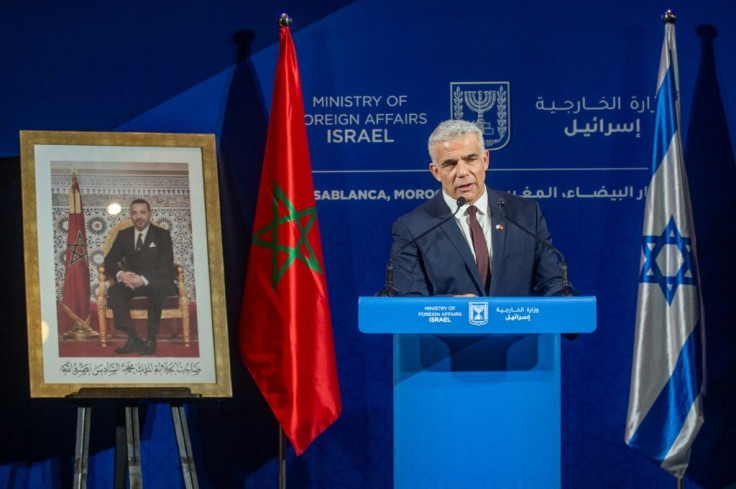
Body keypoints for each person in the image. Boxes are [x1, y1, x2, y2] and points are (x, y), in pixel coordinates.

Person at [388, 119, 563, 297]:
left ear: (485, 160)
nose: (462, 172)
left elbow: (551, 283)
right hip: (451, 325)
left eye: (471, 159)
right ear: (436, 172)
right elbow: (408, 299)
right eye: (450, 164)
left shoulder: (525, 214)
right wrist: (450, 307)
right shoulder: (413, 228)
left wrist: (566, 299)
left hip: (515, 324)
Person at [105, 199, 177, 355]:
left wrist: (143, 279)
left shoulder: (162, 235)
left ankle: (151, 339)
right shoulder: (124, 235)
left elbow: (166, 266)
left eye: (143, 212)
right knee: (114, 291)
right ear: (130, 215)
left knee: (156, 288)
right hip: (132, 282)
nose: (139, 217)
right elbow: (109, 260)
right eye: (134, 213)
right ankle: (134, 338)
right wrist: (121, 274)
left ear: (150, 214)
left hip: (157, 281)